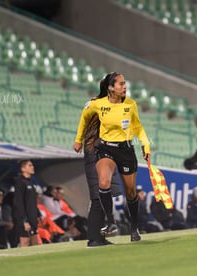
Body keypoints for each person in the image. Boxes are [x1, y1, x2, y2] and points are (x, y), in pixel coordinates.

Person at [73, 72, 151, 243]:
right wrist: (78, 139)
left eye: (125, 84)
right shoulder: (97, 104)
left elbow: (138, 127)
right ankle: (111, 222)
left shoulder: (130, 104)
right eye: (121, 84)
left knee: (130, 192)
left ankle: (134, 227)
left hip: (126, 150)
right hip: (106, 148)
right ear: (110, 87)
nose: (125, 87)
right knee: (103, 182)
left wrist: (145, 145)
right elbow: (84, 118)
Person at [81, 102, 122, 247]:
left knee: (101, 204)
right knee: (97, 203)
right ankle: (93, 239)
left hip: (100, 172)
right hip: (98, 173)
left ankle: (99, 236)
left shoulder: (93, 135)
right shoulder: (96, 138)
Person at [12, 160, 40, 247]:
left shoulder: (31, 182)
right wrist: (24, 221)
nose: (32, 167)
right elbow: (19, 203)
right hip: (25, 219)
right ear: (23, 169)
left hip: (33, 217)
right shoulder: (20, 183)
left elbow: (32, 201)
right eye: (30, 165)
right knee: (25, 242)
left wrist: (38, 214)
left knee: (35, 242)